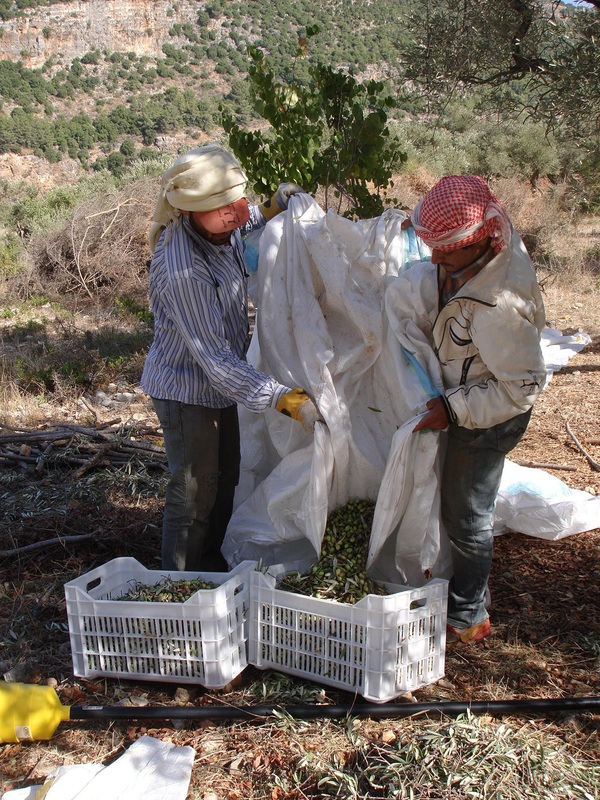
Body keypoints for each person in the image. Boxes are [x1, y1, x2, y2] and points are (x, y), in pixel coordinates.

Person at [141, 144, 319, 572]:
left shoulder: (220, 225)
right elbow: (217, 360)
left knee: (226, 482)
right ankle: (180, 586)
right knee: (194, 493)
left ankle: (213, 569)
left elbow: (244, 219)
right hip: (187, 391)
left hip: (222, 387)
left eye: (237, 202)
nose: (237, 214)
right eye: (224, 208)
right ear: (189, 211)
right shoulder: (183, 267)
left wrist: (272, 207)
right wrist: (283, 397)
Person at [410, 175, 546, 643]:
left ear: (478, 244)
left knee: (466, 514)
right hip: (470, 393)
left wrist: (453, 409)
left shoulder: (498, 308)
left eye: (446, 252)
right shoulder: (488, 230)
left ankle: (469, 617)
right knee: (461, 502)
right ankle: (467, 595)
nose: (434, 259)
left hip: (489, 415)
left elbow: (521, 387)